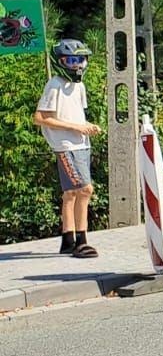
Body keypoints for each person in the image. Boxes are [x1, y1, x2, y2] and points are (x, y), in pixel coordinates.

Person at [32, 39, 103, 258]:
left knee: (72, 193)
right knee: (85, 189)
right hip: (64, 145)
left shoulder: (79, 86)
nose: (77, 65)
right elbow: (40, 118)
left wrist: (87, 127)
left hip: (81, 143)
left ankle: (69, 239)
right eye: (72, 60)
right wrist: (75, 127)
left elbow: (77, 114)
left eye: (81, 60)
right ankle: (82, 241)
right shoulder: (55, 85)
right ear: (61, 61)